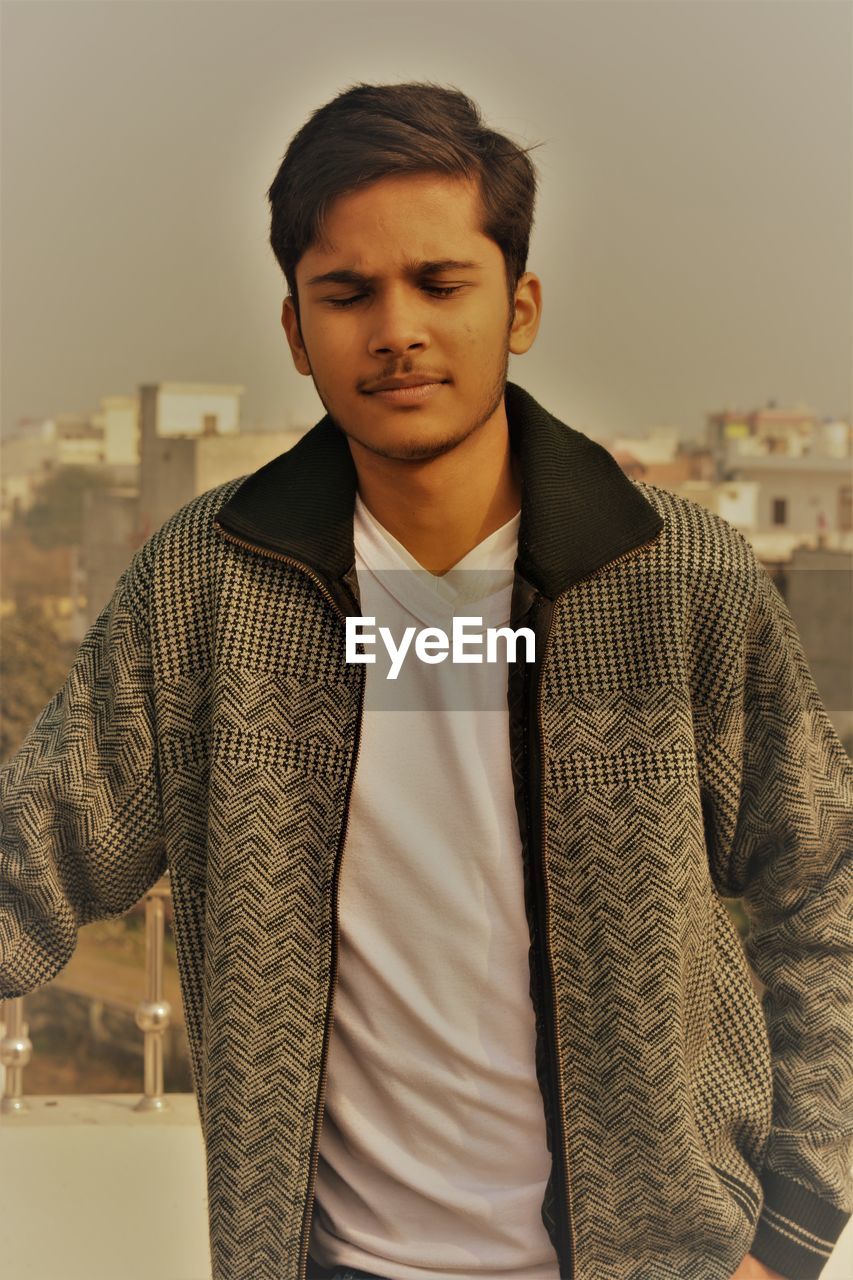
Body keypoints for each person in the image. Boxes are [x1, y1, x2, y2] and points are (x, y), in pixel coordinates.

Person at [1, 81, 850, 1280]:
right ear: (296, 330)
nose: (395, 327)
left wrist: (795, 1227)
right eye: (348, 293)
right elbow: (32, 859)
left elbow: (824, 881)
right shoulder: (207, 586)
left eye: (441, 284)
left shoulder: (671, 578)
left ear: (520, 306)